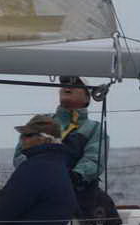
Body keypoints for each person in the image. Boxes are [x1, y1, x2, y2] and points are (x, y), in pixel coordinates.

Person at [13, 76, 107, 214]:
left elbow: (94, 160)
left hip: (76, 198)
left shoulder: (94, 129)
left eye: (75, 84)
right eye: (64, 83)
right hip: (34, 192)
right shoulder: (41, 121)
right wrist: (38, 174)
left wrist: (72, 177)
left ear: (87, 97)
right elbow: (19, 155)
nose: (67, 87)